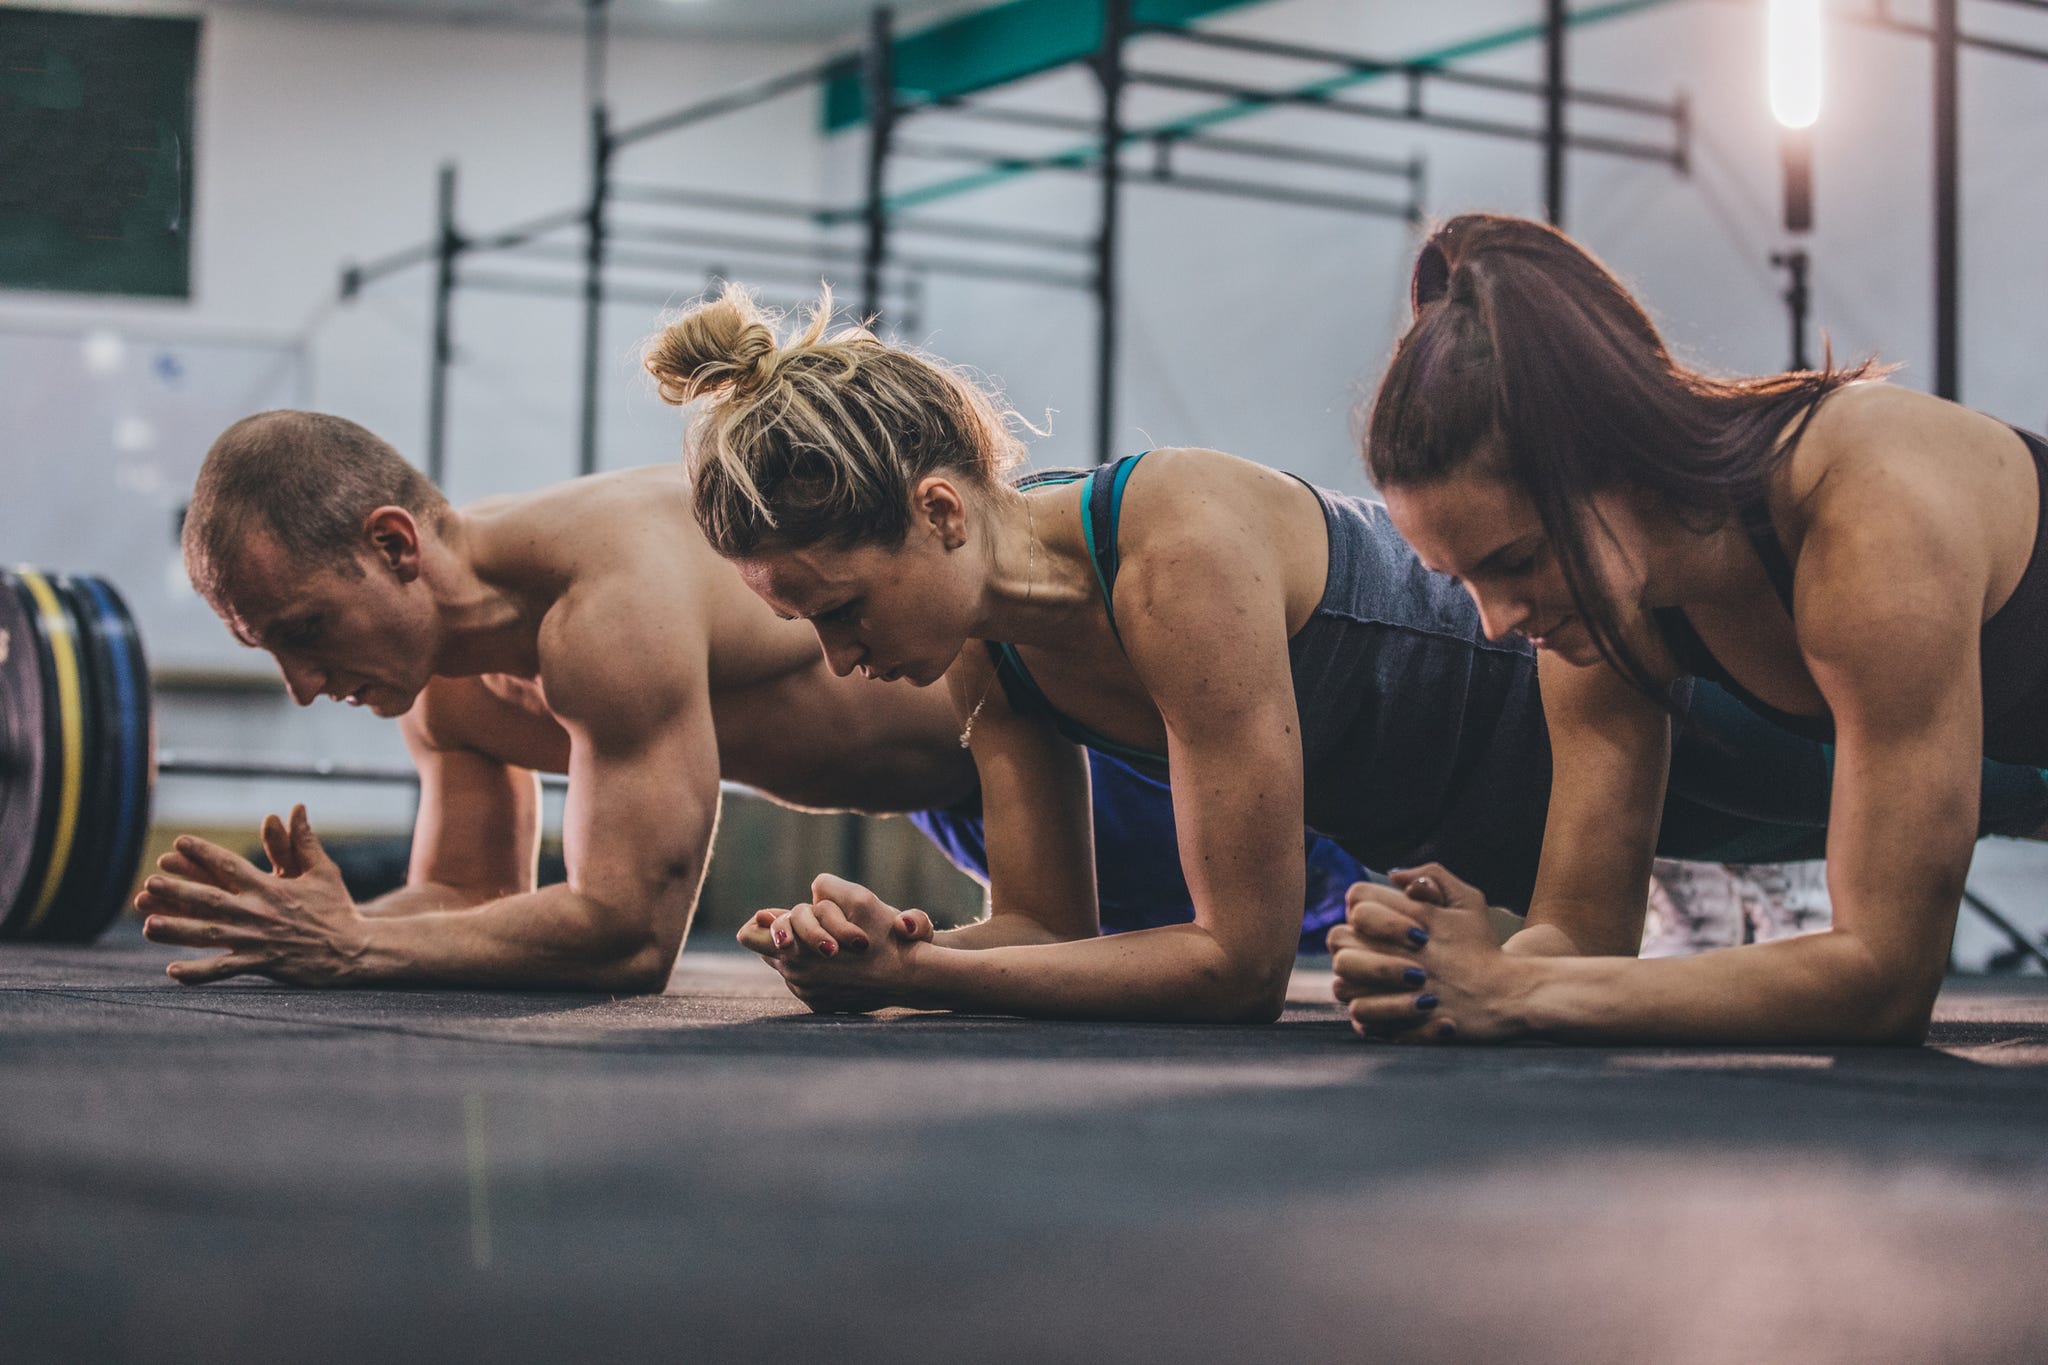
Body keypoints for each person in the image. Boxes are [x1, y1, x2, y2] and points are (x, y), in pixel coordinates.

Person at [640, 287, 2048, 1024]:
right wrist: (911, 947)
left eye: (835, 608)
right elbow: (1044, 930)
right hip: (1523, 790)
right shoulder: (988, 655)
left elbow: (1239, 965)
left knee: (1972, 786)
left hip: (1562, 709)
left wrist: (927, 983)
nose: (831, 654)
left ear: (940, 511)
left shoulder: (1173, 543)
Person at [138, 411, 1365, 990]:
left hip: (1117, 771)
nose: (301, 686)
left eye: (302, 633)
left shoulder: (605, 594)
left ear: (397, 545)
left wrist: (360, 948)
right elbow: (468, 901)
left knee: (1400, 915)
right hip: (986, 816)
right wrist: (309, 923)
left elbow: (625, 936)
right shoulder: (443, 695)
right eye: (271, 654)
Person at [1334, 213, 2048, 1044]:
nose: (1496, 621)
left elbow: (1885, 977)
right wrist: (1465, 958)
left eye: (1517, 558)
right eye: (1463, 582)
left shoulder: (1866, 504)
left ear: (1608, 456)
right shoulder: (1604, 618)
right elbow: (1587, 934)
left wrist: (1513, 985)